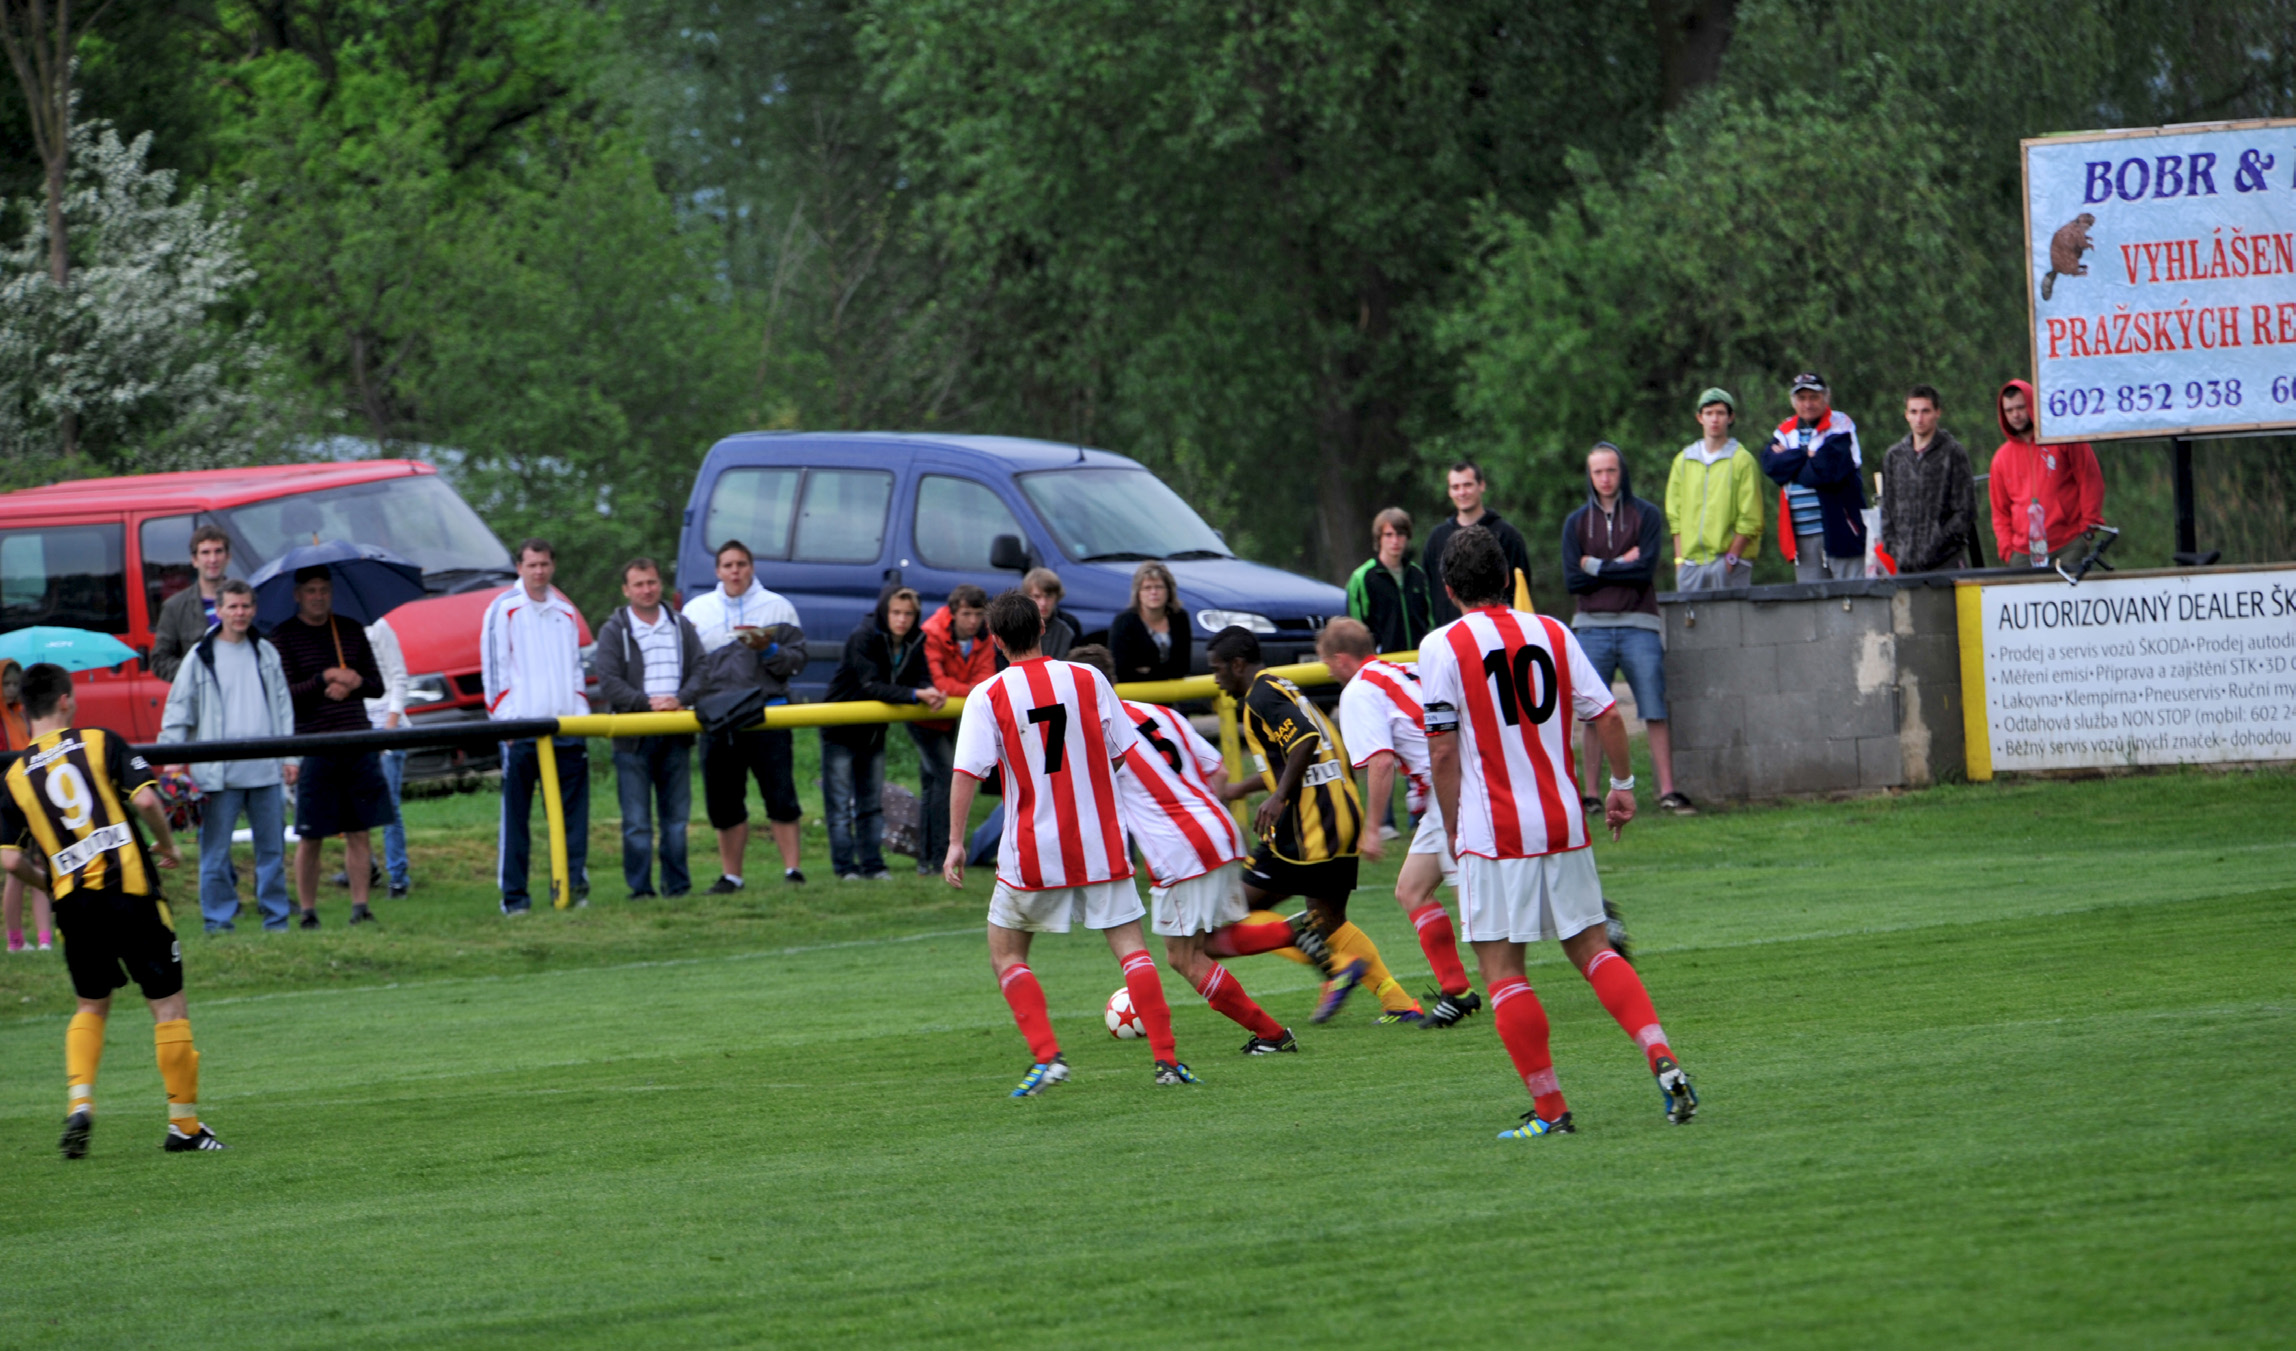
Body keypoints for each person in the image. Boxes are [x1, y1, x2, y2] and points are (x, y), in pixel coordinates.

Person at [1420, 525, 1698, 1139]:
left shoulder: (1441, 645)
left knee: (1503, 971)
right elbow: (1604, 713)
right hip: (1564, 820)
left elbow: (1442, 753)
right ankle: (1661, 1056)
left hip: (1495, 832)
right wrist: (1622, 785)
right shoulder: (1553, 631)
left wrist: (1449, 828)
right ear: (1506, 579)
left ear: (1448, 589)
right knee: (1594, 950)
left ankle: (1551, 1111)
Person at [943, 591, 1198, 1095]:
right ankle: (1167, 1062)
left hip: (1032, 845)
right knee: (1132, 950)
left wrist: (955, 842)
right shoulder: (1088, 678)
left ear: (995, 639)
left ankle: (1048, 1057)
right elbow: (1122, 755)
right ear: (1043, 627)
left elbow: (967, 773)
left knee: (1008, 954)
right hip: (1100, 838)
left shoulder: (988, 695)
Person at [1, 662, 226, 1156]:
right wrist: (168, 845)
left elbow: (10, 858)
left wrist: (53, 883)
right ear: (64, 700)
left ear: (24, 708)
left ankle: (80, 1102)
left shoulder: (14, 775)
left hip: (74, 907)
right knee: (167, 1005)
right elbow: (146, 802)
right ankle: (184, 1127)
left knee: (91, 1005)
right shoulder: (100, 741)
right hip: (130, 893)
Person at [1069, 643, 1300, 1054]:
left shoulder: (1093, 736)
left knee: (1183, 959)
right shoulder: (1161, 713)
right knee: (1209, 941)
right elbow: (1218, 771)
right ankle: (1293, 932)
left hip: (1182, 851)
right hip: (1222, 833)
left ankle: (1272, 1034)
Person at [1319, 618, 1483, 1028]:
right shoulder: (1396, 669)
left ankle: (1590, 925)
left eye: (1326, 662)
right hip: (1449, 789)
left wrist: (1372, 827)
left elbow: (1381, 761)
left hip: (1455, 794)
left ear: (1341, 659)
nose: (1325, 670)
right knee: (1411, 890)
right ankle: (1457, 992)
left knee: (1482, 911)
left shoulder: (1357, 691)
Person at [1209, 624, 1372, 1022]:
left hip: (1307, 825)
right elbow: (1291, 755)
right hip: (1342, 816)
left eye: (1218, 670)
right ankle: (1397, 1002)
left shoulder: (1260, 695)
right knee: (1332, 922)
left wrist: (1279, 796)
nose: (1215, 679)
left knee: (1227, 915)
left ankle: (1330, 964)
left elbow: (1303, 739)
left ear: (1237, 664)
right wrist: (1240, 790)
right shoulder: (1282, 685)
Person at [156, 580, 298, 933]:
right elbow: (179, 709)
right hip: (217, 775)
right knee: (215, 856)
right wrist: (171, 760)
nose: (239, 613)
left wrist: (291, 756)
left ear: (254, 609)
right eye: (232, 607)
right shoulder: (200, 656)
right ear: (217, 611)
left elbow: (283, 708)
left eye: (246, 606)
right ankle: (218, 923)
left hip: (265, 772)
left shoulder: (266, 653)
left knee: (273, 853)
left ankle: (276, 920)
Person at [1563, 441, 1691, 815]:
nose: (1605, 478)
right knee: (1591, 714)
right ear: (1590, 475)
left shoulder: (1646, 516)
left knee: (1654, 707)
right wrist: (1619, 563)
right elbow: (1573, 580)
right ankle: (1590, 795)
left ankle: (1667, 791)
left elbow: (1644, 571)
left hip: (1640, 624)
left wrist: (1596, 565)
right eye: (1598, 471)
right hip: (1590, 627)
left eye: (1611, 470)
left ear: (1622, 471)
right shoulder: (1575, 522)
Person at [683, 540, 809, 891]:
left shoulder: (778, 607)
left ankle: (793, 872)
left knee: (781, 796)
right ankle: (731, 875)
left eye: (741, 564)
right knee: (724, 802)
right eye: (727, 565)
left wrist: (767, 648)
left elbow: (797, 662)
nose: (735, 571)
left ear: (751, 567)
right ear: (717, 571)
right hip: (718, 719)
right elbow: (688, 669)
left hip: (768, 715)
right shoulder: (697, 611)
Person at [269, 565, 388, 928]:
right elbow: (285, 695)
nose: (318, 596)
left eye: (324, 589)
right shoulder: (282, 637)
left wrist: (352, 681)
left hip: (357, 738)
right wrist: (323, 679)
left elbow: (376, 684)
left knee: (359, 829)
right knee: (311, 833)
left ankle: (360, 907)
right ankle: (308, 911)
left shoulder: (350, 630)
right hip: (314, 744)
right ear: (298, 595)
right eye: (311, 590)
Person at [480, 539, 592, 913]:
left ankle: (574, 887)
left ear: (553, 565)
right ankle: (514, 898)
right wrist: (507, 725)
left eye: (544, 564)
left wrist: (578, 719)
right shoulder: (503, 609)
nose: (539, 571)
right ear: (519, 567)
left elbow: (576, 671)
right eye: (532, 565)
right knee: (517, 820)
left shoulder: (565, 611)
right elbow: (494, 672)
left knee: (572, 818)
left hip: (565, 731)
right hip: (521, 734)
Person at [592, 557, 706, 899]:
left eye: (652, 582)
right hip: (633, 739)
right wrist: (647, 703)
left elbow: (701, 669)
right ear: (627, 590)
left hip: (676, 733)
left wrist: (680, 699)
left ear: (661, 585)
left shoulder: (681, 626)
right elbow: (609, 682)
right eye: (639, 584)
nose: (647, 590)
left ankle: (678, 886)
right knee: (637, 823)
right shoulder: (614, 631)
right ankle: (640, 890)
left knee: (676, 820)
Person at [822, 585, 943, 881]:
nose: (902, 620)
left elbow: (922, 676)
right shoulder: (862, 637)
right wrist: (917, 694)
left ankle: (873, 865)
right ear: (884, 612)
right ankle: (845, 868)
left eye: (908, 614)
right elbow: (870, 685)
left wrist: (931, 691)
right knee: (839, 806)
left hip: (874, 732)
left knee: (871, 804)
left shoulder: (916, 640)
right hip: (840, 730)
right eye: (896, 613)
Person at [912, 584, 993, 878]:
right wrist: (969, 690)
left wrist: (963, 691)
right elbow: (938, 681)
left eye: (977, 614)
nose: (972, 621)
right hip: (924, 716)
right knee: (946, 780)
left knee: (934, 785)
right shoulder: (932, 631)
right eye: (967, 614)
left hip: (949, 716)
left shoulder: (984, 635)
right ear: (953, 613)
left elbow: (985, 678)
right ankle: (935, 856)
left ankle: (929, 860)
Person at [1760, 372, 1868, 582]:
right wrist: (1805, 455)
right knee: (1814, 605)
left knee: (1853, 600)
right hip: (1802, 536)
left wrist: (1791, 464)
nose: (1807, 404)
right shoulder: (1785, 429)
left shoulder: (1841, 424)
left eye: (1814, 397)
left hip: (1841, 531)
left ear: (1826, 398)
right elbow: (1771, 466)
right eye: (1802, 398)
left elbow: (1825, 471)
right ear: (1793, 402)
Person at [1989, 378, 2104, 567]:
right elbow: (1999, 511)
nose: (2015, 415)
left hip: (2068, 543)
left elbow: (2090, 480)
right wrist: (2007, 548)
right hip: (2023, 552)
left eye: (2020, 407)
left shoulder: (2063, 438)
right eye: (2009, 410)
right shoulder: (2001, 458)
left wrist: (2088, 529)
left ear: (2033, 405)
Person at [1665, 388, 1763, 591]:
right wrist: (1679, 561)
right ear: (1700, 418)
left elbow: (1751, 517)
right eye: (1709, 413)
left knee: (1730, 622)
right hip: (1691, 564)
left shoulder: (1742, 460)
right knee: (1691, 622)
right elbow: (1675, 516)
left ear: (1730, 417)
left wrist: (1732, 558)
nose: (1714, 419)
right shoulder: (1683, 460)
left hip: (1728, 562)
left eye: (1720, 413)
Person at [1422, 462, 1536, 628]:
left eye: (1467, 485)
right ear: (1449, 491)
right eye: (1455, 487)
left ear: (1481, 485)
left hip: (1499, 633)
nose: (1462, 492)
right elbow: (1429, 592)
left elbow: (1521, 589)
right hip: (1449, 635)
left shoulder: (1507, 535)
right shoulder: (1436, 539)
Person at [1881, 385, 1980, 575]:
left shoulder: (1953, 453)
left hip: (1945, 563)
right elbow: (1888, 509)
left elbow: (1965, 511)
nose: (1919, 419)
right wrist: (1895, 550)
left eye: (1925, 411)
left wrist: (1938, 545)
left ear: (1937, 413)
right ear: (1906, 415)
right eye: (1914, 412)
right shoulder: (1894, 456)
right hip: (1905, 564)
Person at [2, 658, 54, 953]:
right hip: (7, 801)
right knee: (15, 870)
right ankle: (15, 940)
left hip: (31, 797)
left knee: (39, 865)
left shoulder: (23, 717)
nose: (10, 690)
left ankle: (45, 939)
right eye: (5, 684)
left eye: (14, 684)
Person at [364, 615, 411, 899]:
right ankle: (364, 868)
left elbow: (399, 675)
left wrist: (390, 725)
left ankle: (398, 876)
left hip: (386, 726)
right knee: (355, 804)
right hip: (356, 728)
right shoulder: (333, 632)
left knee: (388, 805)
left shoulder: (378, 627)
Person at [149, 525, 233, 683]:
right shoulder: (175, 607)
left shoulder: (245, 600)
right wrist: (196, 672)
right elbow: (159, 660)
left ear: (228, 557)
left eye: (218, 551)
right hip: (198, 700)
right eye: (205, 552)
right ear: (194, 560)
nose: (213, 559)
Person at [1345, 507, 1433, 653]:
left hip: (1418, 663)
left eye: (1400, 534)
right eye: (1388, 535)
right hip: (1381, 666)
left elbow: (1430, 621)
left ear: (1407, 537)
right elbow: (1355, 629)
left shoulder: (1419, 575)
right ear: (1379, 538)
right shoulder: (1362, 578)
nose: (1395, 541)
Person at [1108, 561, 1190, 683]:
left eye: (1159, 587)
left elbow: (1182, 667)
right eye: (1147, 588)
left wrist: (1148, 670)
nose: (1153, 592)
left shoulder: (1180, 617)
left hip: (1172, 694)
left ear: (1169, 591)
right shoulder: (1124, 622)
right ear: (1138, 593)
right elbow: (1120, 670)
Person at [1021, 568, 1077, 660]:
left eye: (1048, 596)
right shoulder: (1015, 625)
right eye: (1037, 596)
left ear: (1057, 597)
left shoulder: (1069, 626)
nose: (1043, 603)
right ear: (1027, 598)